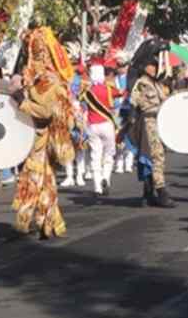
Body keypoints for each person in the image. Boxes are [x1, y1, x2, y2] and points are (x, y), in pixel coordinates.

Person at [11, 27, 78, 239]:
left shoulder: (49, 81)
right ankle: (47, 222)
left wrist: (22, 104)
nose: (32, 60)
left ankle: (26, 222)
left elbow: (46, 112)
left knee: (32, 180)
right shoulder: (41, 79)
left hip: (41, 139)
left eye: (36, 54)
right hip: (36, 137)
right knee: (44, 181)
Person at [130, 40, 173, 208]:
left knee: (153, 157)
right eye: (152, 65)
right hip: (149, 123)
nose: (155, 67)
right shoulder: (142, 83)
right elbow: (136, 103)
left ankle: (148, 193)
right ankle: (161, 192)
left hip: (158, 122)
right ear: (145, 67)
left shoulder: (155, 83)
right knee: (156, 157)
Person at [83, 61, 118, 196]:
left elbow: (79, 98)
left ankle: (97, 187)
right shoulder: (108, 89)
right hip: (106, 124)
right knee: (109, 154)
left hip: (92, 125)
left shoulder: (87, 91)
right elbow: (122, 93)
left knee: (95, 156)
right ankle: (106, 178)